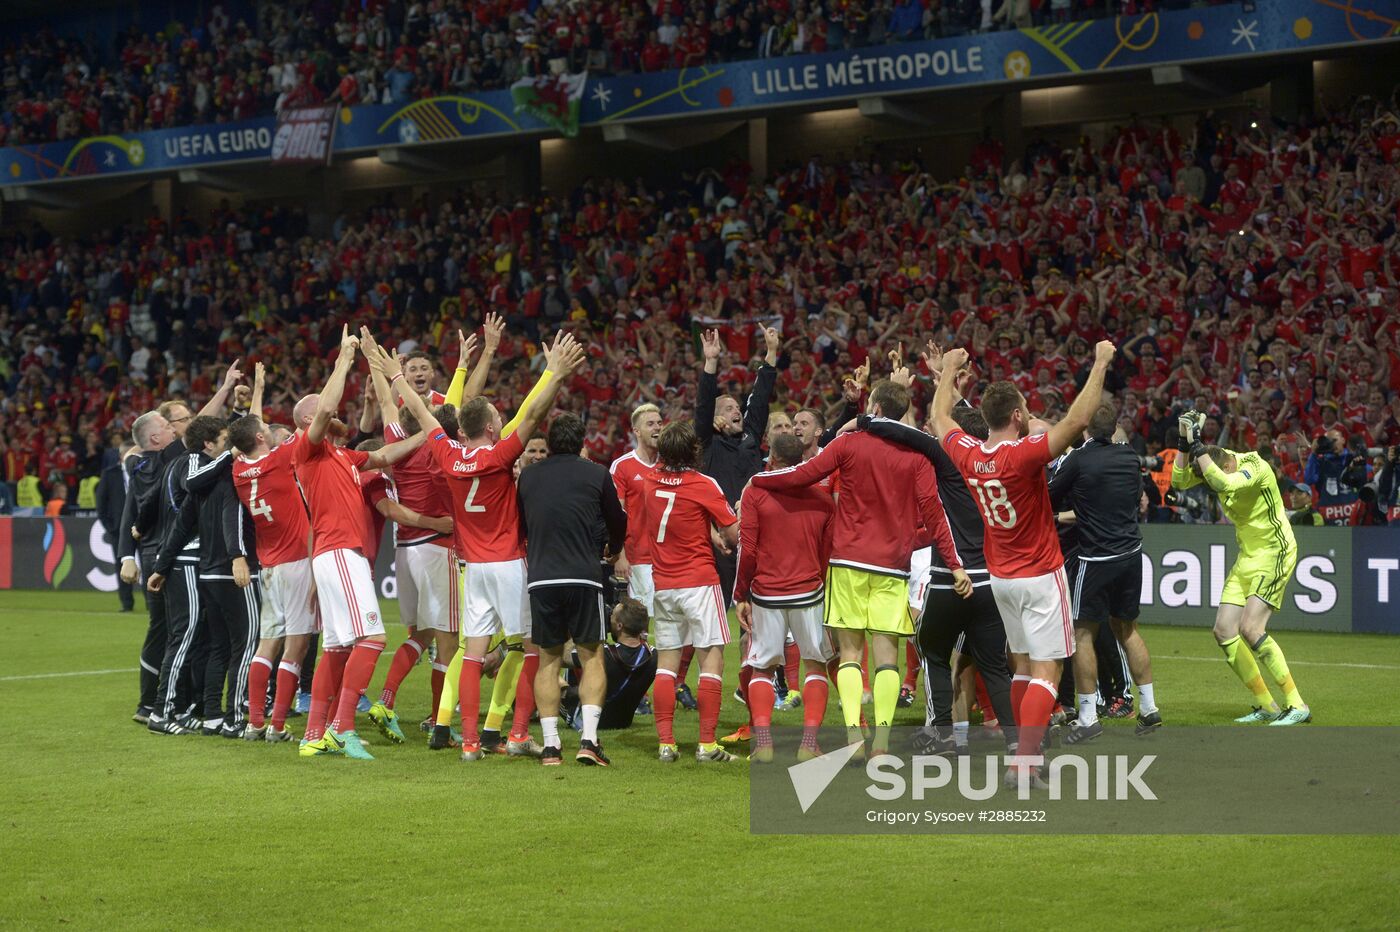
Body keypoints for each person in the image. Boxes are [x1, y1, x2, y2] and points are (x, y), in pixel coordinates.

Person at [750, 377, 969, 759]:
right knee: (887, 658)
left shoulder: (849, 444)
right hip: (892, 567)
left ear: (877, 410)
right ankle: (881, 745)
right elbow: (935, 516)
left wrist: (760, 479)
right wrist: (955, 565)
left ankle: (854, 738)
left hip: (848, 562)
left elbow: (804, 474)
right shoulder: (917, 458)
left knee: (849, 655)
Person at [932, 340, 1115, 787]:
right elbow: (1078, 421)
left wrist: (946, 372)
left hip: (1001, 578)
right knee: (1049, 671)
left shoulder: (970, 454)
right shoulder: (1024, 453)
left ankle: (1023, 753)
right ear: (1016, 416)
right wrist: (1101, 363)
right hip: (1039, 573)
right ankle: (1023, 763)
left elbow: (939, 420)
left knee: (1024, 669)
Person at [404, 329, 585, 761]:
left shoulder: (449, 455)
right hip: (508, 563)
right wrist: (555, 375)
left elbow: (426, 415)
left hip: (472, 568)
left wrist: (396, 377)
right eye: (498, 416)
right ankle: (519, 733)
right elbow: (533, 414)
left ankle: (468, 744)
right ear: (490, 426)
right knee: (533, 649)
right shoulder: (501, 455)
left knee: (472, 654)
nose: (504, 418)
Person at [294, 327, 433, 761]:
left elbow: (385, 456)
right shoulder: (309, 449)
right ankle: (342, 727)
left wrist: (430, 433)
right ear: (310, 420)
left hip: (336, 556)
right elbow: (328, 405)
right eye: (324, 409)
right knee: (372, 638)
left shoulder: (344, 456)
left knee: (337, 648)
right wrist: (344, 359)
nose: (335, 411)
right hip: (339, 554)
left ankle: (314, 734)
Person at [854, 398, 1018, 757]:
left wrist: (866, 418)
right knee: (993, 666)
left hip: (950, 578)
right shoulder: (1004, 465)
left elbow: (908, 434)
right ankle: (1016, 741)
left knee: (933, 652)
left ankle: (942, 736)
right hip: (991, 581)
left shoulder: (949, 459)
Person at [121, 365, 243, 732]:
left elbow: (145, 510)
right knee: (181, 632)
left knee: (194, 634)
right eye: (177, 422)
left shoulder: (174, 465)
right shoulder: (171, 464)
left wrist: (144, 534)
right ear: (161, 435)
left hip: (177, 558)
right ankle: (158, 709)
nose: (183, 425)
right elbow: (160, 507)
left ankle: (184, 706)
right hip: (182, 559)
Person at [1172, 413, 1310, 726]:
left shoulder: (1254, 466)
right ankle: (1268, 706)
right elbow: (1179, 481)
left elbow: (1224, 482)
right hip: (1248, 556)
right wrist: (1184, 441)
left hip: (1276, 551)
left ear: (1225, 463)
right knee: (1224, 630)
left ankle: (1297, 703)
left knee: (1251, 629)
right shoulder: (1215, 465)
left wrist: (1197, 446)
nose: (1210, 487)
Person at [517, 413, 627, 766]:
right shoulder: (596, 473)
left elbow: (521, 522)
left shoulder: (530, 476)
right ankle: (589, 741)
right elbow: (617, 518)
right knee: (592, 654)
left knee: (547, 659)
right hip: (583, 575)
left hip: (542, 576)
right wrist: (614, 545)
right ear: (583, 442)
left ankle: (551, 746)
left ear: (549, 444)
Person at [1048, 404, 1161, 743]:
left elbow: (1049, 494)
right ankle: (1150, 708)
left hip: (1096, 558)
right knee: (1127, 629)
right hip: (1131, 553)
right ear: (1115, 430)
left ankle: (1086, 717)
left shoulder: (1079, 459)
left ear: (1085, 430)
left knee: (1082, 633)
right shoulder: (1130, 458)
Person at [642, 420, 741, 763]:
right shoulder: (703, 484)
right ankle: (707, 745)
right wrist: (733, 522)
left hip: (665, 585)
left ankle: (666, 744)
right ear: (694, 451)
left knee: (667, 666)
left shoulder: (648, 480)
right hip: (699, 582)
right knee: (710, 661)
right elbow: (733, 534)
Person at [733, 432, 835, 763]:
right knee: (816, 664)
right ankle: (808, 743)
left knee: (762, 667)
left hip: (766, 593)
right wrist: (816, 579)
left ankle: (763, 742)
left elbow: (747, 550)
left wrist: (741, 593)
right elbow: (826, 553)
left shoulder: (755, 493)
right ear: (803, 462)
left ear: (772, 457)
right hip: (809, 591)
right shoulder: (822, 499)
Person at [228, 401, 317, 743]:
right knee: (296, 647)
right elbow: (312, 423)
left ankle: (254, 723)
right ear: (262, 436)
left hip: (268, 566)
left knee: (267, 646)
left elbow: (246, 436)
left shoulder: (237, 470)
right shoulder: (280, 459)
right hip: (296, 561)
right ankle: (278, 725)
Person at [559, 597, 657, 733]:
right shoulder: (653, 655)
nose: (609, 617)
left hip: (586, 720)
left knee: (546, 669)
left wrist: (585, 630)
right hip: (624, 721)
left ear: (619, 626)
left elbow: (561, 657)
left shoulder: (604, 654)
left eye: (612, 616)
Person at [611, 403, 664, 613]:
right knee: (642, 620)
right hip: (638, 557)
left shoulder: (670, 464)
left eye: (660, 423)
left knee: (673, 620)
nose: (657, 428)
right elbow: (615, 516)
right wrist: (620, 555)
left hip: (669, 557)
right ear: (637, 431)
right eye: (650, 424)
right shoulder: (622, 466)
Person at [98, 444, 136, 612]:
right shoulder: (109, 474)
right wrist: (111, 528)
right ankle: (126, 604)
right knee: (122, 566)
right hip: (119, 530)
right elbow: (101, 504)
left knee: (151, 564)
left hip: (144, 526)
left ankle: (153, 604)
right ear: (121, 456)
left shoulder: (144, 469)